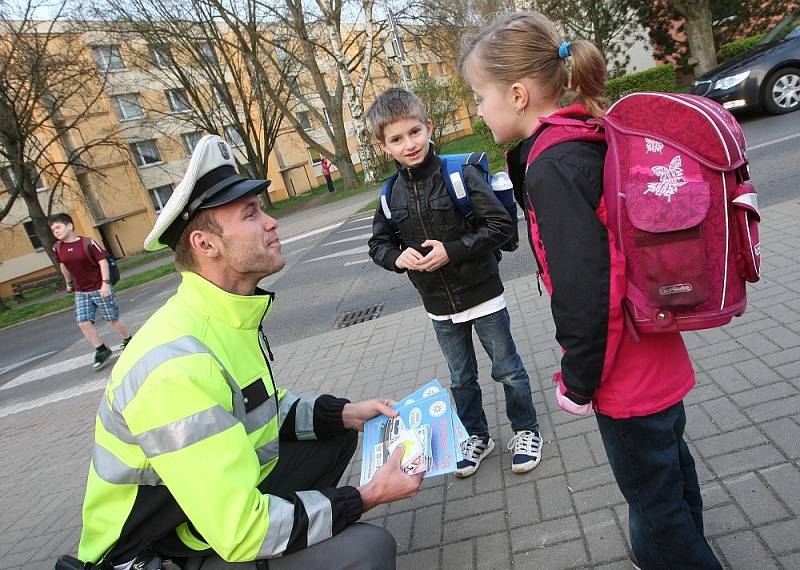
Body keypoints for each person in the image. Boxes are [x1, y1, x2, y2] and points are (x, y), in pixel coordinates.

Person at [75, 135, 422, 570]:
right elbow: (241, 531)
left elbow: (261, 412)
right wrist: (364, 498)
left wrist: (346, 413)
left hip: (196, 517)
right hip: (153, 552)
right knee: (369, 551)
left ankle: (296, 533)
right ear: (206, 244)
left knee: (334, 434)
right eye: (252, 214)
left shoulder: (221, 316)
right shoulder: (175, 366)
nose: (272, 222)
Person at [459, 11, 722, 569]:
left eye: (480, 97)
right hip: (656, 346)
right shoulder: (588, 131)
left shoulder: (552, 165)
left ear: (518, 93)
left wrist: (578, 382)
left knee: (655, 508)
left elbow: (586, 289)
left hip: (621, 372)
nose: (477, 110)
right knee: (672, 476)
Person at [367, 88, 543, 478]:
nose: (409, 144)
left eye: (414, 132)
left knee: (507, 369)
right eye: (396, 139)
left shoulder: (459, 173)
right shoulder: (389, 194)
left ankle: (526, 430)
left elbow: (498, 225)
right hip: (438, 307)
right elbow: (379, 244)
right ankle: (476, 436)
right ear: (384, 147)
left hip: (483, 295)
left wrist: (454, 250)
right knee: (462, 379)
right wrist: (396, 257)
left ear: (428, 128)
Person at [49, 213, 132, 369]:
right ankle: (101, 350)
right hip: (81, 290)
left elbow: (102, 262)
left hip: (99, 287)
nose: (56, 231)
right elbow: (63, 266)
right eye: (53, 230)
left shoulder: (88, 243)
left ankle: (128, 340)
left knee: (112, 318)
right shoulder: (58, 248)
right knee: (83, 322)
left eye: (58, 227)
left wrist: (105, 283)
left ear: (70, 226)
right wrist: (68, 283)